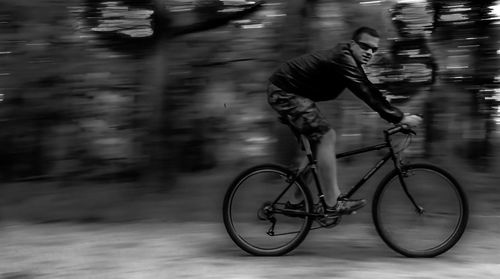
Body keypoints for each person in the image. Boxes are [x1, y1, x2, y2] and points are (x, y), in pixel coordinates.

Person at [267, 26, 422, 215]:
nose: (369, 52)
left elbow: (369, 89)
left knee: (318, 148)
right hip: (284, 91)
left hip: (294, 93)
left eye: (374, 49)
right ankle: (333, 204)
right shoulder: (343, 58)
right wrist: (400, 118)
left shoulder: (350, 63)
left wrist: (396, 116)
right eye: (365, 46)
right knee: (326, 136)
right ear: (352, 44)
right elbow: (365, 92)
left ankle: (296, 202)